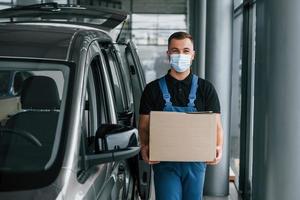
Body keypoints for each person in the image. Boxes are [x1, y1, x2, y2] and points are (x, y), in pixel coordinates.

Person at [138, 31, 224, 200]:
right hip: (164, 163)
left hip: (195, 162)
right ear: (168, 54)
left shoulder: (206, 89)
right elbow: (143, 126)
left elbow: (216, 126)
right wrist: (144, 147)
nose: (180, 55)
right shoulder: (152, 89)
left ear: (193, 55)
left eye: (185, 51)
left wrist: (218, 148)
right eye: (175, 51)